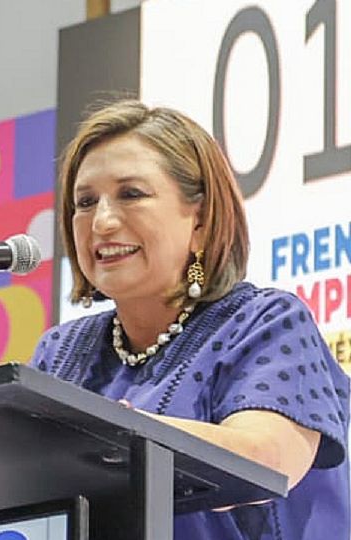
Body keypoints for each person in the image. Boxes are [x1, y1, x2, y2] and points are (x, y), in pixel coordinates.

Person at [31, 100, 349, 540]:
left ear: (200, 220)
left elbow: (264, 460)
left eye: (131, 194)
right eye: (85, 202)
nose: (101, 221)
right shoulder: (61, 353)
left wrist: (114, 436)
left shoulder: (264, 323)